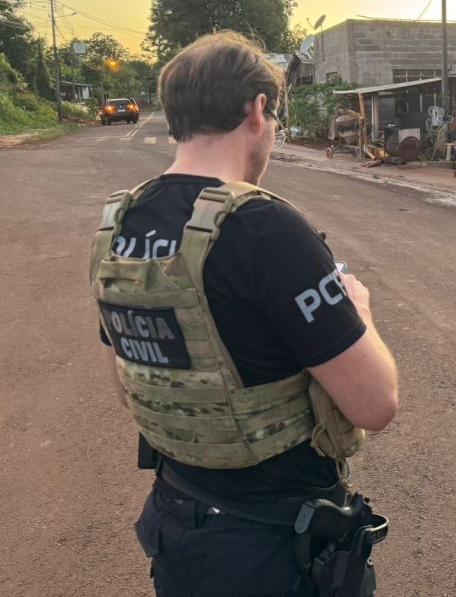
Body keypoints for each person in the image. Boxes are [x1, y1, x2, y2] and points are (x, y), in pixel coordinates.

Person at [90, 31, 398, 596]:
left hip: (177, 523)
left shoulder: (119, 223)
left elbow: (135, 382)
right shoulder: (266, 227)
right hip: (272, 549)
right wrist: (360, 310)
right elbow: (375, 404)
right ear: (257, 111)